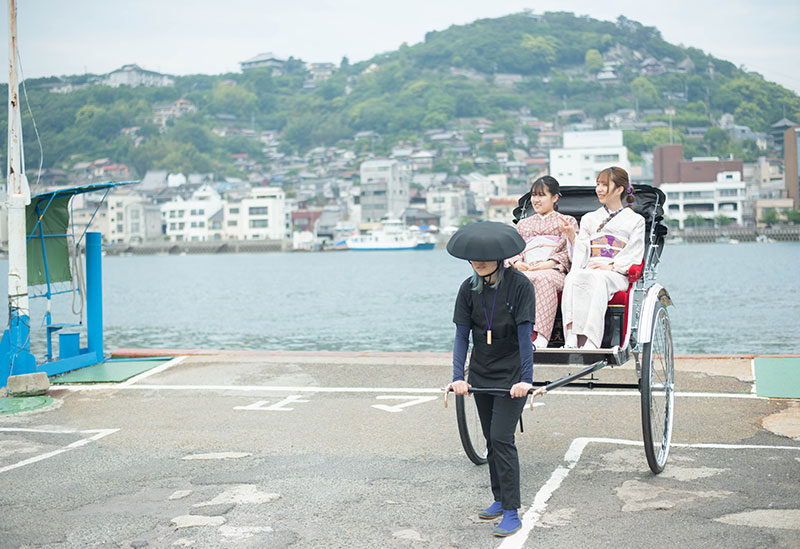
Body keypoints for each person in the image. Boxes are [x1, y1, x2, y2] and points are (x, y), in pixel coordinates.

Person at [444, 221, 545, 538]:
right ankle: (499, 498)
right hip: (482, 372)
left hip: (512, 371)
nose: (479, 260)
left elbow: (524, 335)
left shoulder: (520, 285)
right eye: (474, 256)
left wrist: (526, 380)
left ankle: (513, 511)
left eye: (486, 256)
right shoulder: (467, 289)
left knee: (502, 438)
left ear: (501, 256)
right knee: (491, 438)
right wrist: (457, 377)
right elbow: (461, 337)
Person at [561, 167, 645, 349]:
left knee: (597, 277)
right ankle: (572, 337)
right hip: (591, 266)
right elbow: (582, 250)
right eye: (597, 184)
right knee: (573, 277)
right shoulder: (589, 218)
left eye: (604, 185)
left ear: (620, 189)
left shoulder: (636, 220)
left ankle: (591, 339)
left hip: (615, 273)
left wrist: (612, 266)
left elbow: (634, 252)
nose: (598, 189)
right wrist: (572, 237)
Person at [505, 176, 579, 349]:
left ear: (555, 198)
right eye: (533, 195)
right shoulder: (523, 225)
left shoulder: (567, 221)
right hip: (526, 268)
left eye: (541, 195)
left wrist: (550, 263)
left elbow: (570, 251)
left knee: (543, 279)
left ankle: (541, 337)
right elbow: (512, 250)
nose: (536, 200)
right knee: (511, 280)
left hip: (553, 272)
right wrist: (517, 263)